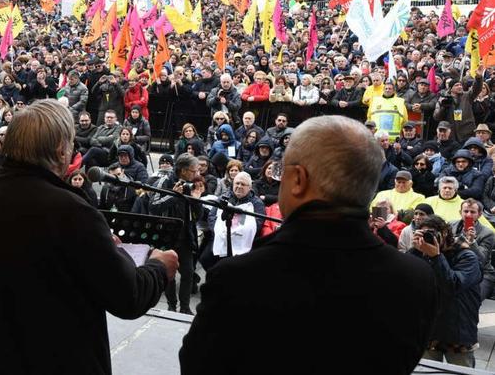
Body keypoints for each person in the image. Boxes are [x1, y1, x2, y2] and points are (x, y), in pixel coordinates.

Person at [180, 115, 438, 374]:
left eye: (282, 170)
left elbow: (198, 366)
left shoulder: (238, 278)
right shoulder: (416, 279)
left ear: (298, 179)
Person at [0, 99, 177, 375]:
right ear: (62, 150)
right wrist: (158, 267)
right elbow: (128, 296)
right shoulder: (72, 211)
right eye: (72, 143)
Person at [410, 214, 481, 368]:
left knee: (462, 371)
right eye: (424, 234)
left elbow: (452, 285)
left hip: (458, 332)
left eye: (432, 234)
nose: (429, 238)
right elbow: (405, 280)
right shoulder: (420, 254)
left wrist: (436, 257)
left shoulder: (466, 256)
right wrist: (415, 251)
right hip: (429, 330)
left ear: (445, 233)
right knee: (426, 371)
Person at [149, 153, 205, 315]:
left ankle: (185, 307)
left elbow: (198, 216)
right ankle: (171, 305)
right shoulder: (165, 181)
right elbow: (153, 205)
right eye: (194, 171)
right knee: (169, 273)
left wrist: (196, 199)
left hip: (186, 235)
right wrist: (174, 196)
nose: (197, 174)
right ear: (184, 170)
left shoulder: (192, 184)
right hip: (167, 235)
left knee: (188, 272)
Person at [450, 199, 495, 301]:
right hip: (456, 268)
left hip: (482, 273)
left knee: (471, 300)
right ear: (460, 212)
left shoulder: (488, 233)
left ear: (479, 215)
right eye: (466, 211)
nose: (469, 215)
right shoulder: (451, 225)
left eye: (473, 212)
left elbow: (482, 260)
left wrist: (472, 241)